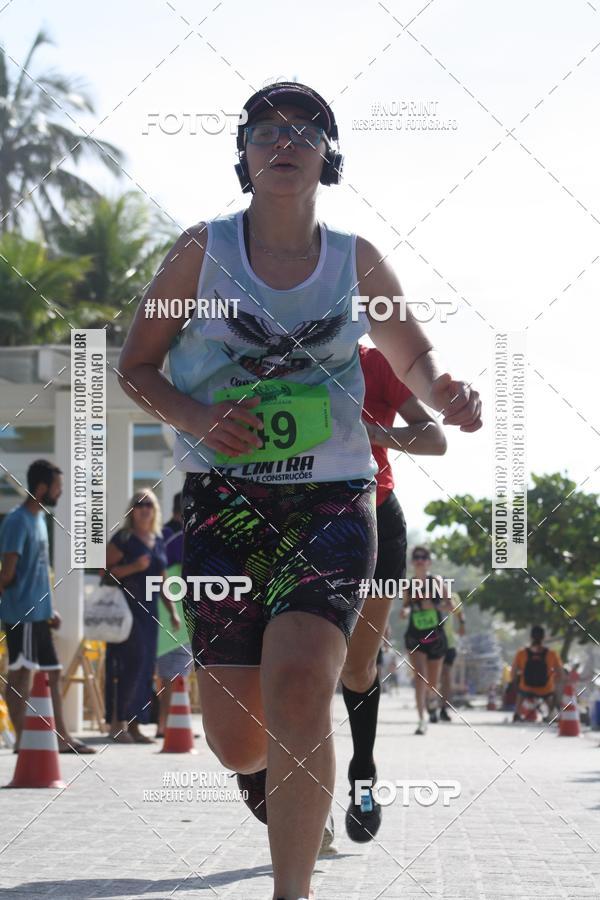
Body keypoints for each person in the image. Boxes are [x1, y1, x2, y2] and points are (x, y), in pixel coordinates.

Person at [117, 80, 482, 900]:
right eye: (266, 131)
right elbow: (135, 366)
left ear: (329, 155)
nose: (285, 143)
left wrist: (446, 391)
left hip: (332, 499)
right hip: (224, 504)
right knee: (239, 742)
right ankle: (275, 779)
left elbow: (415, 358)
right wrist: (198, 417)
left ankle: (293, 890)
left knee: (301, 684)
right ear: (244, 155)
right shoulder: (201, 252)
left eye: (305, 131)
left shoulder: (356, 259)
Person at [340, 343, 446, 842]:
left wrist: (376, 433)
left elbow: (435, 438)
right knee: (298, 667)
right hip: (296, 518)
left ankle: (362, 773)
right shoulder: (272, 353)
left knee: (355, 668)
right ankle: (298, 796)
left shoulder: (375, 363)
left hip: (376, 518)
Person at [0, 459, 95, 753]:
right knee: (21, 675)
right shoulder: (17, 521)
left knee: (52, 673)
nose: (60, 492)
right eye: (57, 487)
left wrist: (49, 608)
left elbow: (38, 571)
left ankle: (62, 739)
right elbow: (8, 573)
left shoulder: (40, 519)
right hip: (23, 615)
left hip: (39, 614)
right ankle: (22, 743)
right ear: (42, 488)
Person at [103, 489, 180, 743]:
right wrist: (134, 567)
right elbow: (105, 573)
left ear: (155, 509)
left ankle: (135, 725)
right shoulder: (123, 538)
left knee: (145, 667)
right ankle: (117, 724)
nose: (144, 508)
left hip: (149, 614)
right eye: (139, 504)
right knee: (125, 665)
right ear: (131, 510)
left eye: (149, 504)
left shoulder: (157, 539)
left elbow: (162, 580)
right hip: (126, 612)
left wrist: (172, 612)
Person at [402, 546, 449, 735]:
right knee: (419, 676)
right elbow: (406, 606)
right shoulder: (408, 586)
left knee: (432, 683)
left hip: (435, 637)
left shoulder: (437, 581)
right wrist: (405, 612)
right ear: (412, 562)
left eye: (423, 557)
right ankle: (421, 720)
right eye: (416, 557)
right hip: (415, 636)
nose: (420, 560)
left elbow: (452, 606)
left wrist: (435, 606)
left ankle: (431, 698)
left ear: (429, 562)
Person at [156, 504, 193, 738]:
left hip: (171, 617)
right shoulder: (179, 539)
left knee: (173, 674)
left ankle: (174, 722)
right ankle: (167, 725)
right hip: (174, 619)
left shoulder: (162, 536)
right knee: (174, 674)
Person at [510, 626, 562, 722]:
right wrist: (554, 682)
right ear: (544, 637)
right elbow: (560, 673)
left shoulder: (521, 653)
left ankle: (517, 713)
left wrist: (515, 683)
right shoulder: (551, 653)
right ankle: (552, 714)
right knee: (549, 694)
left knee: (520, 692)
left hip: (526, 687)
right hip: (545, 688)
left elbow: (513, 672)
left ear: (531, 637)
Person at [437, 588, 465, 721]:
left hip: (449, 642)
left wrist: (462, 624)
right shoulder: (428, 595)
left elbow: (459, 612)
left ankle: (444, 707)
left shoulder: (453, 596)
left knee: (446, 674)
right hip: (431, 642)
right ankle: (431, 703)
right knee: (434, 675)